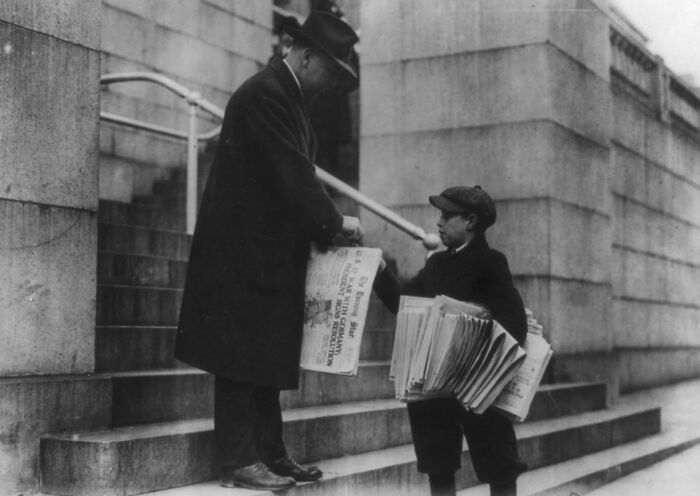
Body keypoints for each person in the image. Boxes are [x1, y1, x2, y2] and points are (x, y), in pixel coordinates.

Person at [174, 11, 362, 492]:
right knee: (241, 359)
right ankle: (239, 460)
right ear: (304, 55)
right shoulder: (267, 94)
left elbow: (291, 176)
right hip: (242, 254)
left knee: (263, 360)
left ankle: (271, 455)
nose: (334, 85)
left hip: (263, 254)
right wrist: (336, 223)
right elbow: (294, 176)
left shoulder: (284, 96)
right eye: (331, 72)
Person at [373, 185, 528, 496]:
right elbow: (402, 302)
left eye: (447, 215)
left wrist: (476, 323)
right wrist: (376, 269)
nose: (439, 222)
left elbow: (515, 324)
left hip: (477, 382)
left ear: (470, 221)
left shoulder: (491, 262)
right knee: (437, 462)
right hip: (435, 383)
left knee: (498, 462)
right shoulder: (437, 264)